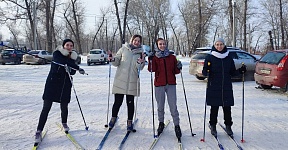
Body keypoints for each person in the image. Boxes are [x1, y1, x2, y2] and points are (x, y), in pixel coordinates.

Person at [34, 39, 85, 143]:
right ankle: (39, 131)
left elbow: (72, 72)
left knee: (64, 106)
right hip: (53, 84)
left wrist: (75, 69)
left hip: (65, 85)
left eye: (71, 45)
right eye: (67, 45)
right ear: (63, 46)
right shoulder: (57, 54)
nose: (69, 47)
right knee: (46, 108)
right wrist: (75, 66)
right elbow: (61, 61)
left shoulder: (72, 57)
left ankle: (64, 123)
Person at [202, 38, 246, 136]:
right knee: (214, 107)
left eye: (221, 44)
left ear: (224, 45)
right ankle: (212, 125)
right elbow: (204, 72)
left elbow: (232, 72)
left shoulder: (228, 57)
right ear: (214, 45)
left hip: (226, 85)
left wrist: (240, 71)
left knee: (227, 107)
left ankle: (228, 126)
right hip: (214, 85)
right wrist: (207, 70)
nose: (219, 46)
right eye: (217, 44)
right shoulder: (210, 57)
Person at [108, 34, 145, 131]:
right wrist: (112, 59)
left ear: (140, 43)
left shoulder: (141, 53)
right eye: (135, 40)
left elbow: (140, 68)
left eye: (138, 41)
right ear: (131, 40)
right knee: (117, 102)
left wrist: (141, 62)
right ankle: (113, 118)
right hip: (121, 79)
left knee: (130, 103)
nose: (136, 42)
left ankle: (129, 121)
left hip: (132, 81)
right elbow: (116, 62)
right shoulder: (123, 49)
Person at [147, 38, 183, 139]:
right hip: (159, 84)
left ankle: (177, 125)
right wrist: (150, 60)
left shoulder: (171, 57)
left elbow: (176, 71)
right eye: (160, 44)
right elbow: (151, 69)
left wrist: (179, 66)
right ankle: (161, 123)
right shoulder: (155, 57)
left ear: (166, 45)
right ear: (157, 45)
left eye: (163, 44)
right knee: (160, 106)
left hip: (171, 84)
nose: (162, 46)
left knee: (173, 106)